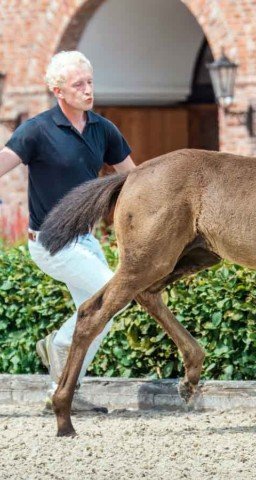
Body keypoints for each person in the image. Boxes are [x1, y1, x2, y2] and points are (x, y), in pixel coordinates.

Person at [0, 51, 136, 412]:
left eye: (90, 82)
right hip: (49, 241)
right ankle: (58, 346)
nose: (88, 90)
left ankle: (61, 392)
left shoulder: (102, 129)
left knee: (100, 318)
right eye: (79, 85)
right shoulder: (36, 130)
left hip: (85, 241)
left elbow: (135, 179)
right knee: (110, 297)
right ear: (59, 90)